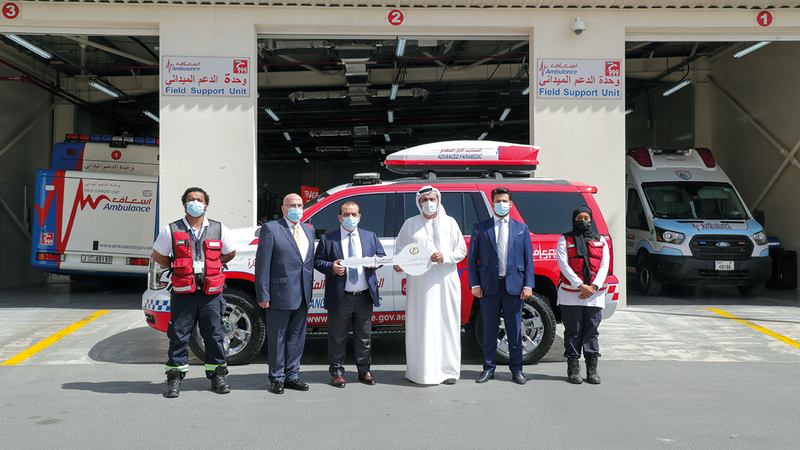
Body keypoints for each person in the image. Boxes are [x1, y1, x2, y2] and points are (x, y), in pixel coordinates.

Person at [152, 187, 237, 398]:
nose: (195, 203)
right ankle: (174, 379)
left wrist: (212, 266)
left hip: (212, 294)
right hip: (183, 293)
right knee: (178, 336)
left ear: (206, 205)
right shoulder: (171, 230)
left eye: (199, 200)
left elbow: (230, 252)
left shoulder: (219, 228)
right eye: (191, 200)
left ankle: (218, 377)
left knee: (214, 335)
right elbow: (158, 255)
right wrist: (178, 267)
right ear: (184, 205)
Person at [394, 185, 467, 385]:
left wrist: (446, 256)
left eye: (432, 199)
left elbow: (461, 250)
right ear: (418, 203)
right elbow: (399, 252)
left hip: (445, 282)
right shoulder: (410, 224)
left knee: (446, 324)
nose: (428, 203)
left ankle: (448, 371)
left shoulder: (450, 222)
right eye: (424, 200)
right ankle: (420, 373)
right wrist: (399, 266)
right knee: (421, 324)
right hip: (419, 286)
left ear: (438, 201)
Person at [314, 201, 386, 388]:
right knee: (337, 337)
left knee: (364, 337)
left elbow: (381, 256)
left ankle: (364, 371)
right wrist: (331, 267)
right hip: (341, 296)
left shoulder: (370, 236)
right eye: (346, 214)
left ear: (359, 217)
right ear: (340, 218)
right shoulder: (328, 239)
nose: (350, 218)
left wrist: (377, 262)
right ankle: (337, 372)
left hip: (364, 295)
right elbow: (318, 261)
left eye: (354, 214)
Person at [467, 187, 535, 385]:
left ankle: (517, 369)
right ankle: (488, 368)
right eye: (498, 201)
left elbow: (528, 260)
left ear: (510, 204)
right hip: (489, 286)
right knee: (489, 330)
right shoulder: (480, 228)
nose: (501, 204)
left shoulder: (521, 228)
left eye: (505, 201)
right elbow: (472, 259)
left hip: (514, 286)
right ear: (492, 203)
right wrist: (475, 284)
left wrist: (528, 285)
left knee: (515, 330)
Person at [255, 193, 316, 394]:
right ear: (283, 208)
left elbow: (307, 263)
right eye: (292, 205)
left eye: (299, 205)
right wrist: (263, 294)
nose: (296, 209)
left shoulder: (309, 230)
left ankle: (292, 375)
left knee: (297, 338)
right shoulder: (271, 229)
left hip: (303, 294)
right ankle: (277, 377)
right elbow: (263, 264)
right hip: (279, 294)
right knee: (277, 338)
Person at [556, 205, 610, 385]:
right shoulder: (564, 239)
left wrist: (592, 287)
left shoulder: (601, 240)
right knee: (573, 331)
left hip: (594, 294)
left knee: (591, 332)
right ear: (574, 220)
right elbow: (563, 264)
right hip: (571, 294)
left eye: (586, 218)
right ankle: (573, 369)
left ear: (591, 219)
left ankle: (592, 370)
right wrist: (580, 286)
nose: (583, 221)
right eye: (579, 218)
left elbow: (604, 265)